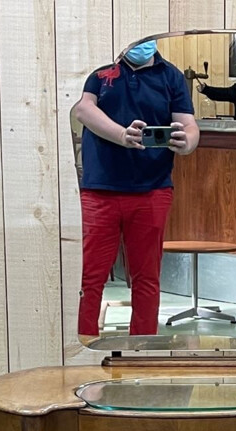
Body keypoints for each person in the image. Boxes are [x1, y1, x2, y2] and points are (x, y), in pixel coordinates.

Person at [73, 39, 200, 337]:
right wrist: (122, 135)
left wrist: (187, 143)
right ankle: (82, 343)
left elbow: (188, 124)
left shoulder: (171, 76)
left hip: (152, 190)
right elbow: (83, 109)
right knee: (89, 276)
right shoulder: (100, 69)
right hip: (99, 189)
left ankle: (143, 349)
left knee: (146, 277)